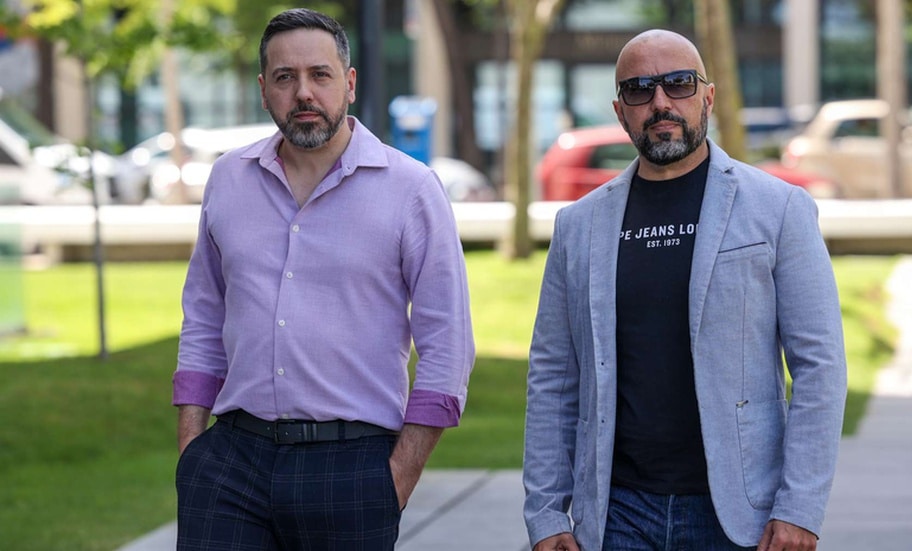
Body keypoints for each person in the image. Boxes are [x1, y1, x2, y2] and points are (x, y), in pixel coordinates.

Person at [523, 29, 846, 551]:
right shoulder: (577, 227)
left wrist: (800, 508)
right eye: (639, 90)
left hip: (741, 517)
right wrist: (545, 513)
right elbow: (553, 376)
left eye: (678, 84)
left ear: (708, 97)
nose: (660, 103)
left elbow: (820, 366)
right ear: (620, 110)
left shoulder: (778, 209)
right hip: (614, 514)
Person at [173, 8, 475, 550]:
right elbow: (203, 320)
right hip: (229, 465)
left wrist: (397, 479)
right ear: (264, 90)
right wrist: (191, 453)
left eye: (321, 75)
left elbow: (448, 345)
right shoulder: (227, 179)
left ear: (350, 84)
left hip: (353, 469)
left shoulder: (411, 190)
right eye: (285, 78)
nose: (304, 92)